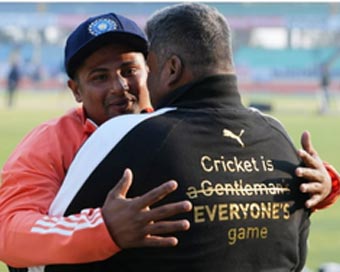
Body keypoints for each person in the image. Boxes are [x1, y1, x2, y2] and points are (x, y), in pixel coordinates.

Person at [40, 3, 340, 272]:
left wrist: (105, 231)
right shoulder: (280, 138)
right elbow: (296, 258)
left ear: (171, 69)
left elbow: (42, 257)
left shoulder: (123, 135)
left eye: (149, 68)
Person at [0, 12, 192, 271]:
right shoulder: (50, 141)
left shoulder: (180, 127)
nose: (119, 85)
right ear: (76, 90)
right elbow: (10, 233)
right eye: (100, 77)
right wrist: (105, 227)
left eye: (129, 70)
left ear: (150, 70)